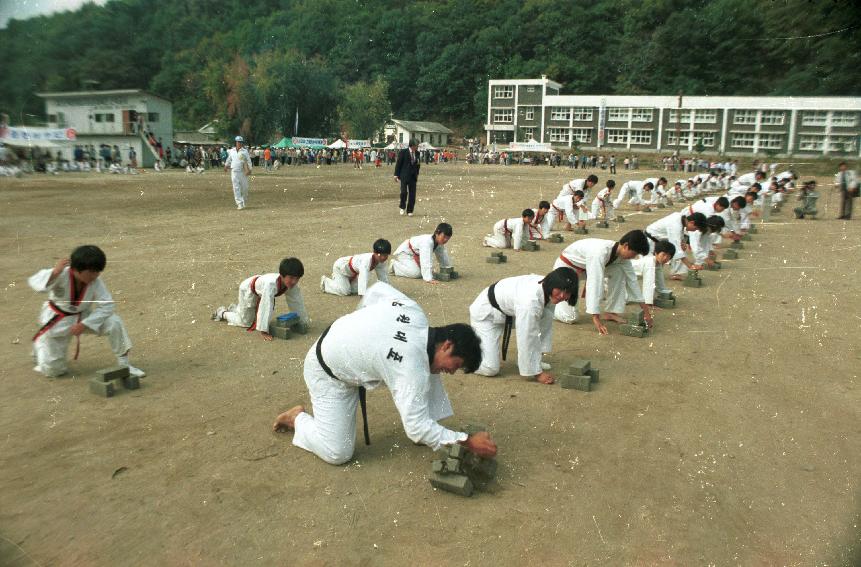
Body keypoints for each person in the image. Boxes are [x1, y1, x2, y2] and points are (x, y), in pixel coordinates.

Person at [272, 282, 496, 465]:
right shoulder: (411, 366)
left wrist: (362, 331)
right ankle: (297, 418)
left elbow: (377, 289)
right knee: (338, 453)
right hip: (327, 373)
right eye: (455, 365)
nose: (452, 372)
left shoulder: (414, 310)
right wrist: (466, 442)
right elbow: (415, 429)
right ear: (446, 345)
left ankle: (433, 427)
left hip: (341, 349)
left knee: (433, 367)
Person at [28, 245, 145, 378]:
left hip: (84, 317)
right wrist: (55, 273)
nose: (95, 275)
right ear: (76, 269)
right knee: (54, 371)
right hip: (58, 319)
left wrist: (85, 324)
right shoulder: (61, 273)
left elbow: (107, 305)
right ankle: (41, 346)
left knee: (114, 322)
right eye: (92, 272)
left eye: (98, 271)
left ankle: (125, 365)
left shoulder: (96, 281)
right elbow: (36, 284)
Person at [469, 268, 579, 384]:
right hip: (487, 315)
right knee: (490, 368)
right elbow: (527, 335)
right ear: (552, 284)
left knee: (546, 315)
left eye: (567, 292)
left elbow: (544, 325)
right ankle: (463, 355)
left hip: (509, 312)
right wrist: (537, 373)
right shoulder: (530, 302)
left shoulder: (548, 288)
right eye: (560, 290)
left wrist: (537, 357)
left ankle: (532, 360)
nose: (562, 295)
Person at [552, 230, 652, 334]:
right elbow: (595, 282)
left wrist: (646, 312)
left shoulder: (621, 257)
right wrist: (596, 317)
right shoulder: (600, 252)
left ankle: (611, 311)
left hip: (584, 269)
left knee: (619, 271)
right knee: (570, 317)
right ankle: (550, 306)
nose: (634, 257)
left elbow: (632, 280)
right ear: (626, 246)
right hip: (566, 270)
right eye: (634, 253)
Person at [212, 257, 309, 340]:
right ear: (282, 275)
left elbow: (297, 303)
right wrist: (264, 330)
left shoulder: (291, 285)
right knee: (245, 322)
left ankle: (237, 309)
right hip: (248, 289)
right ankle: (222, 313)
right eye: (291, 278)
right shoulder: (271, 285)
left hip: (259, 289)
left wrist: (303, 322)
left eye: (297, 278)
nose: (294, 281)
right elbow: (266, 306)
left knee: (249, 314)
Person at [645, 211, 708, 279]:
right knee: (647, 268)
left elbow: (678, 240)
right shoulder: (675, 224)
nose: (694, 230)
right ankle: (633, 265)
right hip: (649, 241)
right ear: (692, 222)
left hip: (660, 241)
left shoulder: (682, 219)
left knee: (680, 249)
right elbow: (676, 247)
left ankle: (676, 273)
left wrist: (683, 242)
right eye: (695, 228)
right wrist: (690, 266)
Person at [320, 239, 391, 296]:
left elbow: (383, 277)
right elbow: (363, 278)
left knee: (355, 290)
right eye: (380, 255)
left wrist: (388, 292)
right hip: (341, 268)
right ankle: (326, 283)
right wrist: (363, 297)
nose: (383, 257)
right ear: (374, 253)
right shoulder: (366, 261)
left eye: (385, 255)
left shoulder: (381, 262)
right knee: (345, 292)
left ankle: (340, 281)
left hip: (352, 273)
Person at [631, 239, 676, 306]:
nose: (665, 258)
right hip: (623, 272)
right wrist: (648, 303)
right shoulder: (650, 263)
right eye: (663, 254)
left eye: (668, 256)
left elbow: (659, 280)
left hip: (630, 277)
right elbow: (648, 283)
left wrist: (664, 293)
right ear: (656, 253)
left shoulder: (658, 263)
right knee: (625, 299)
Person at [224, 136, 252, 210]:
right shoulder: (232, 151)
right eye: (238, 142)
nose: (239, 143)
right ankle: (239, 203)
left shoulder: (244, 151)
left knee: (245, 188)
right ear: (235, 142)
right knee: (236, 188)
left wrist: (250, 170)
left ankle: (244, 201)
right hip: (234, 171)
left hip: (243, 172)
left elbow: (249, 161)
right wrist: (226, 165)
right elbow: (229, 159)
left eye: (241, 142)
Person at [395, 139, 420, 216]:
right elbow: (398, 163)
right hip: (404, 176)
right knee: (403, 192)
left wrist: (417, 173)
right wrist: (396, 175)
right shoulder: (403, 152)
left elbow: (418, 164)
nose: (417, 147)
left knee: (412, 194)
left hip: (413, 176)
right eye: (416, 145)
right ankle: (402, 206)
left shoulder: (417, 153)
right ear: (412, 146)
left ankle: (410, 210)